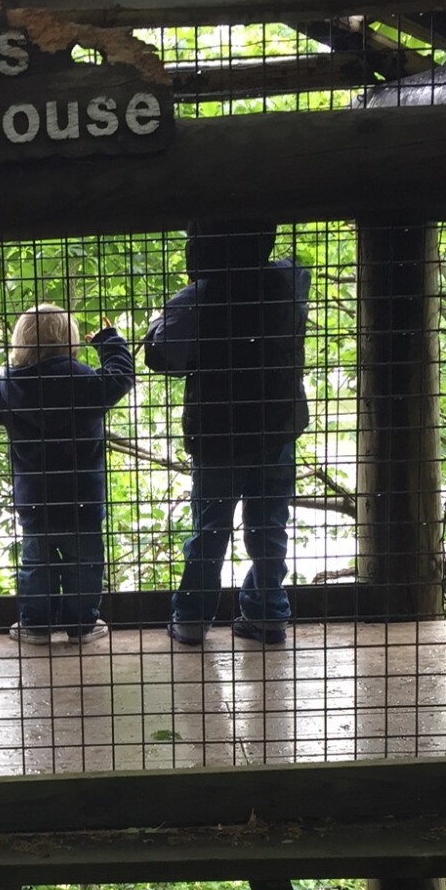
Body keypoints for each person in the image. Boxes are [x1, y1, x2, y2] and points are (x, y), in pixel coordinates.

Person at [144, 222, 311, 646]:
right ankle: (269, 614)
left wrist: (159, 323)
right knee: (270, 525)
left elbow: (165, 357)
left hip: (220, 436)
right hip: (277, 427)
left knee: (210, 529)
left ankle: (193, 620)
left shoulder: (199, 298)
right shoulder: (290, 280)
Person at [0, 305, 134, 644]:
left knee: (37, 563)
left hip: (36, 497)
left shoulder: (12, 389)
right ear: (70, 340)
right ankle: (82, 625)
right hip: (82, 496)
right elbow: (121, 376)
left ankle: (37, 625)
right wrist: (109, 341)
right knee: (85, 562)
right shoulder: (87, 382)